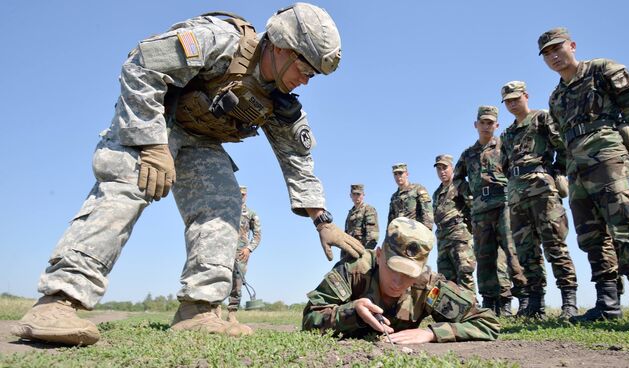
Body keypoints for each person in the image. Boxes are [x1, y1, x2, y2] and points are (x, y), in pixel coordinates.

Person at [12, 3, 365, 346]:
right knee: (128, 186)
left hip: (200, 141)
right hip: (154, 119)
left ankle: (198, 311)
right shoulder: (220, 40)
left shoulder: (280, 100)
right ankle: (57, 302)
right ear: (285, 48)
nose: (306, 80)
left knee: (223, 206)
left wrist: (323, 221)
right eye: (306, 69)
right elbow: (142, 65)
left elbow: (297, 159)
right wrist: (151, 145)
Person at [539, 27, 629, 324]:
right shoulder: (557, 97)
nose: (553, 56)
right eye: (547, 53)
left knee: (626, 224)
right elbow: (562, 140)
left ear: (572, 46)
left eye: (557, 48)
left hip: (610, 160)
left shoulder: (603, 70)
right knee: (590, 236)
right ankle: (607, 303)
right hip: (577, 170)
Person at [302, 217, 500, 343]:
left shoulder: (428, 285)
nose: (398, 281)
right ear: (379, 255)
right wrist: (353, 312)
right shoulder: (355, 271)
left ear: (421, 270)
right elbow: (310, 319)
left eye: (409, 274)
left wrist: (432, 333)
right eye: (393, 268)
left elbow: (487, 323)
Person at [498, 81, 578, 318]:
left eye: (516, 98)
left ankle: (569, 302)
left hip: (542, 191)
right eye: (508, 101)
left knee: (554, 244)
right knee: (526, 251)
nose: (512, 104)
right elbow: (504, 165)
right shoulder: (508, 133)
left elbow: (562, 146)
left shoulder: (542, 119)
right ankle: (535, 304)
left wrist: (554, 173)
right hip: (516, 196)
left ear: (526, 95)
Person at [454, 106, 528, 317]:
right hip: (480, 209)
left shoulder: (504, 146)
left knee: (512, 252)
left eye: (490, 123)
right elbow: (457, 178)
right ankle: (490, 302)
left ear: (496, 125)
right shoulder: (468, 154)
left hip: (504, 203)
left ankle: (521, 299)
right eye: (482, 122)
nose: (486, 126)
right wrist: (470, 194)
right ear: (475, 125)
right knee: (484, 256)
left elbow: (516, 168)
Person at [432, 154, 476, 291]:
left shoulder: (460, 185)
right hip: (442, 238)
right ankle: (453, 311)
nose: (441, 172)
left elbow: (473, 208)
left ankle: (472, 308)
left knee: (464, 273)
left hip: (459, 236)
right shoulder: (437, 193)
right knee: (445, 278)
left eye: (444, 167)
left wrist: (468, 231)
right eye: (438, 169)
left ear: (452, 168)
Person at [226, 186, 262, 323]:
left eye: (242, 195)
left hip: (241, 253)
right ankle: (215, 309)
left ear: (245, 196)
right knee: (220, 278)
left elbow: (257, 235)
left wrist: (249, 249)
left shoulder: (251, 214)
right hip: (224, 251)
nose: (240, 197)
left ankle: (232, 313)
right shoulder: (225, 211)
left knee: (237, 283)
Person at [387, 163, 434, 231]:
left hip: (416, 233)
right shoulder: (394, 197)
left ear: (407, 174)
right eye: (395, 174)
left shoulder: (418, 189)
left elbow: (427, 212)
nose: (398, 177)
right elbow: (391, 220)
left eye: (400, 173)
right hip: (400, 236)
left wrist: (427, 232)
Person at [341, 184, 379, 259]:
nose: (356, 197)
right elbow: (346, 235)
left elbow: (373, 236)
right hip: (350, 254)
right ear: (350, 195)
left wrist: (366, 254)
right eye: (354, 194)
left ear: (363, 195)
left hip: (362, 253)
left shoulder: (368, 209)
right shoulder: (350, 213)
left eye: (358, 194)